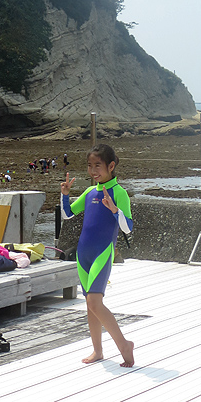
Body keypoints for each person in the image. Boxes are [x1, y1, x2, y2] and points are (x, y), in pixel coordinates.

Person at [60, 143, 134, 367]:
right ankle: (97, 350)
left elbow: (128, 228)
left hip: (102, 252)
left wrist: (115, 210)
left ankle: (124, 345)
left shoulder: (119, 193)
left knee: (94, 301)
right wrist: (65, 195)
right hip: (83, 254)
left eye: (98, 166)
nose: (93, 171)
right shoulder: (90, 192)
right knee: (90, 303)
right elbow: (68, 214)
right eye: (90, 166)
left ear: (111, 166)